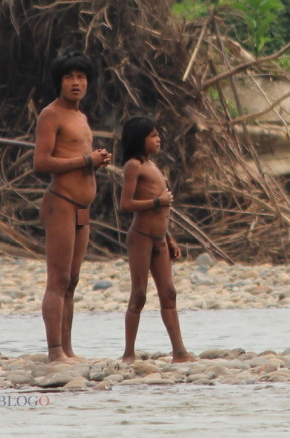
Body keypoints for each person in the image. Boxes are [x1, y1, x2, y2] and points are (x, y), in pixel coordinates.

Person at [34, 50, 112, 363]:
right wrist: (85, 160)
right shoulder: (51, 114)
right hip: (61, 203)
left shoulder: (81, 117)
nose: (75, 82)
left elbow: (80, 158)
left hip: (83, 208)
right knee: (58, 279)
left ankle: (67, 349)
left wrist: (96, 162)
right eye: (69, 77)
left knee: (73, 280)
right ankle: (55, 352)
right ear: (60, 82)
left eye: (81, 77)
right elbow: (41, 162)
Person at [119, 116, 196, 363]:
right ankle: (128, 353)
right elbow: (126, 204)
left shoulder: (152, 165)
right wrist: (156, 201)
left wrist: (169, 237)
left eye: (157, 135)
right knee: (139, 294)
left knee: (169, 293)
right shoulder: (133, 166)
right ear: (139, 139)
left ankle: (179, 352)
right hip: (141, 237)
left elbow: (163, 211)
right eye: (153, 136)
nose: (158, 139)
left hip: (159, 238)